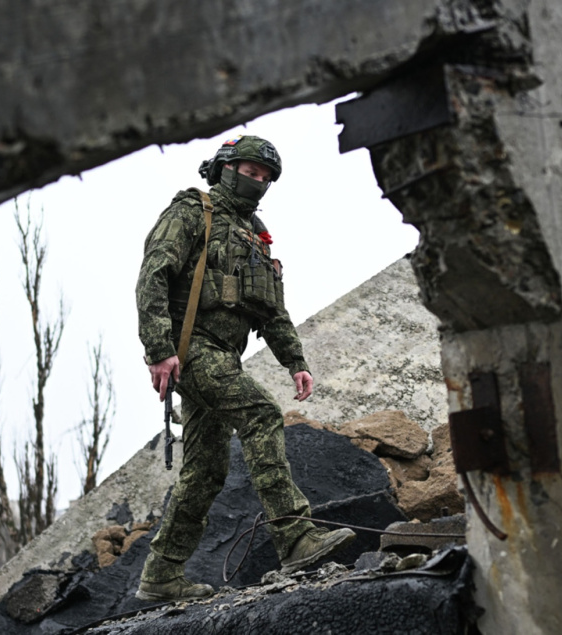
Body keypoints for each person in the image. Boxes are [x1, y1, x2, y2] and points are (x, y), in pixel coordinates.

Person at [134, 135, 355, 601]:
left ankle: (159, 577)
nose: (256, 182)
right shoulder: (193, 212)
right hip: (192, 348)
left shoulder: (254, 234)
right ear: (223, 169)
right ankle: (295, 538)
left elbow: (272, 310)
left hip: (222, 355)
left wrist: (295, 361)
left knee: (205, 471)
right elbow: (154, 273)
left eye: (264, 178)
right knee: (261, 413)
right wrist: (159, 348)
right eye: (249, 172)